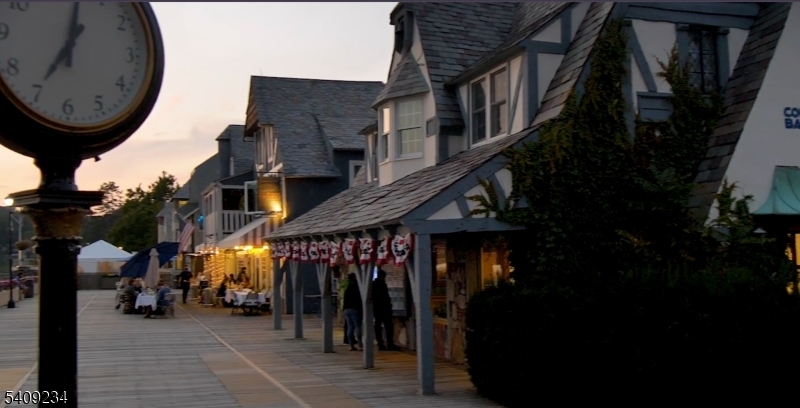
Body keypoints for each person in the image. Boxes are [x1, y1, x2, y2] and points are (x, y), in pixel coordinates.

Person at [372, 270, 399, 351]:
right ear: (383, 276)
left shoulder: (373, 285)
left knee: (378, 326)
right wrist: (389, 307)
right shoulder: (382, 284)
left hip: (377, 309)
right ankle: (390, 343)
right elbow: (385, 298)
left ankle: (380, 343)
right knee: (389, 326)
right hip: (385, 309)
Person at [342, 273, 363, 351]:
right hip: (355, 309)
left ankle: (351, 345)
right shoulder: (357, 287)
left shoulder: (346, 287)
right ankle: (360, 344)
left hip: (346, 309)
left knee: (350, 327)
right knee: (357, 326)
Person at [336, 266, 350, 344]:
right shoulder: (350, 286)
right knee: (352, 325)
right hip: (351, 306)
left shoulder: (342, 286)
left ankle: (347, 338)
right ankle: (350, 339)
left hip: (344, 306)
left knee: (347, 324)